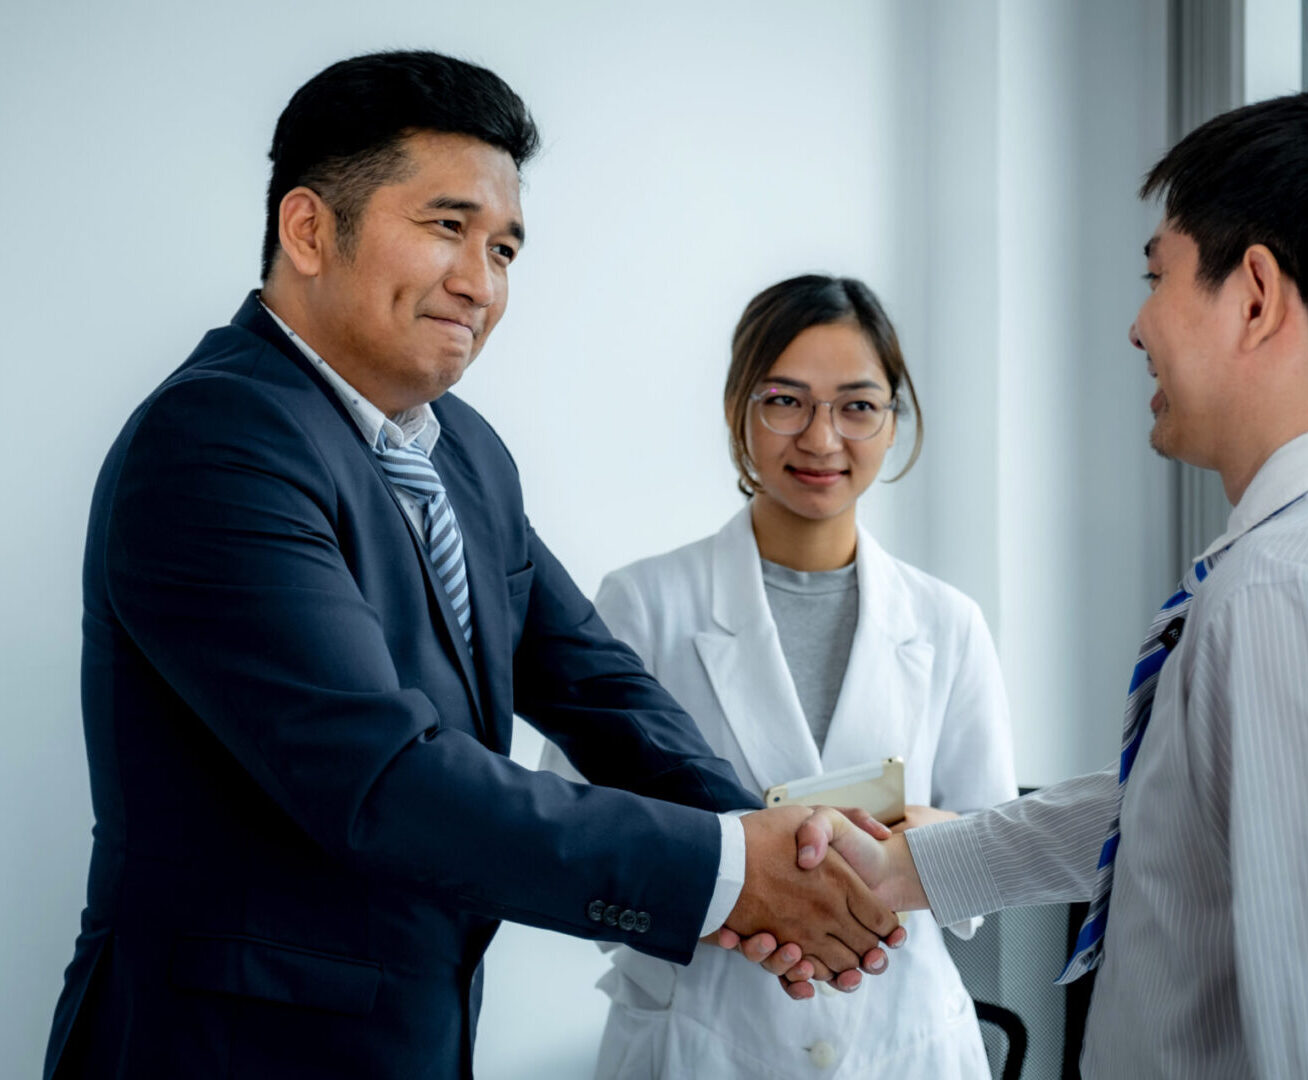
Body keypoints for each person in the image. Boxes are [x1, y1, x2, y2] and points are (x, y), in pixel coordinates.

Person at [42, 51, 900, 1080]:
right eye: (447, 229)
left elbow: (596, 687)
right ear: (309, 229)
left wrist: (770, 842)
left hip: (415, 1038)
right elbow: (385, 779)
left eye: (503, 248)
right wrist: (730, 876)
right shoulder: (217, 440)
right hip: (228, 1049)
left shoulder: (461, 450)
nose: (480, 284)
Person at [790, 89, 1308, 1077]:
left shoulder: (1292, 592)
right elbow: (1196, 810)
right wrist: (917, 862)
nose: (1138, 325)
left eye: (1158, 276)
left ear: (1255, 296)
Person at [541, 275, 1018, 1077]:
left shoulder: (947, 623)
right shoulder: (645, 604)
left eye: (857, 405)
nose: (822, 439)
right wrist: (731, 889)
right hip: (701, 1036)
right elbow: (583, 841)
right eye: (785, 401)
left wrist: (913, 843)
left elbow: (995, 861)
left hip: (902, 1043)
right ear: (740, 409)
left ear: (894, 421)